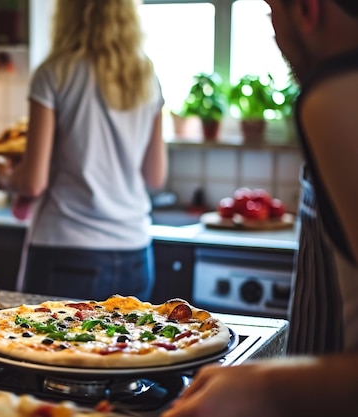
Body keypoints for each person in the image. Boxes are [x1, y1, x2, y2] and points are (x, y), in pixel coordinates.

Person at [161, 0, 358, 416]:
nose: (274, 34)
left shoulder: (336, 95)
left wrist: (263, 385)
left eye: (273, 14)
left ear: (307, 11)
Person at [0, 0, 167, 301]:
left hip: (66, 251)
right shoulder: (145, 76)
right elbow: (155, 177)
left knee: (47, 345)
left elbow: (33, 181)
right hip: (134, 253)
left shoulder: (54, 73)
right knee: (129, 349)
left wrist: (5, 178)